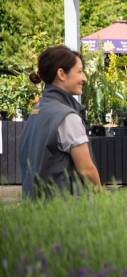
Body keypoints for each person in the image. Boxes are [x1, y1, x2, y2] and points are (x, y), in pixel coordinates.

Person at [19, 45, 102, 199]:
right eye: (79, 71)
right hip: (63, 213)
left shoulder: (37, 111)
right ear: (61, 74)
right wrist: (105, 202)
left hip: (34, 210)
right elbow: (86, 171)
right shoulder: (67, 117)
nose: (84, 78)